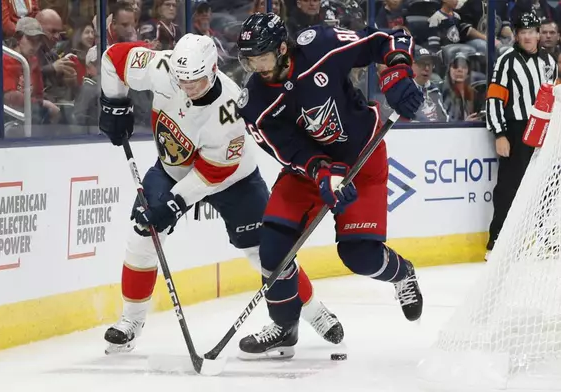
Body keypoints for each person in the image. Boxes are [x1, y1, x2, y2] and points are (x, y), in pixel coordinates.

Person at [98, 33, 344, 355]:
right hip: (172, 168)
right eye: (182, 80)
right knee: (144, 235)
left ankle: (314, 311)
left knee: (267, 254)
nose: (187, 87)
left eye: (196, 81)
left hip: (233, 179)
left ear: (213, 69)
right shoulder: (162, 67)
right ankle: (130, 322)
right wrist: (114, 104)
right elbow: (113, 58)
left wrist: (174, 203)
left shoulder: (231, 107)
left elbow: (215, 171)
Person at [234, 13, 425, 359]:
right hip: (310, 172)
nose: (255, 67)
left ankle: (402, 274)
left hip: (363, 159)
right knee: (273, 246)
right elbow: (288, 150)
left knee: (360, 256)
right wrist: (321, 170)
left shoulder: (320, 46)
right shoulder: (255, 104)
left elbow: (384, 39)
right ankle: (284, 326)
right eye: (248, 59)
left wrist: (396, 70)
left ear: (282, 48)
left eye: (261, 57)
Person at [486, 12, 557, 260]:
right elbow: (494, 98)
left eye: (532, 31)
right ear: (516, 35)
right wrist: (500, 133)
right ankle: (497, 241)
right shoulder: (507, 61)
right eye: (523, 32)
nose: (528, 36)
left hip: (545, 131)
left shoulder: (550, 61)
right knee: (509, 187)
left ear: (539, 34)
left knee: (547, 186)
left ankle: (545, 238)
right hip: (517, 130)